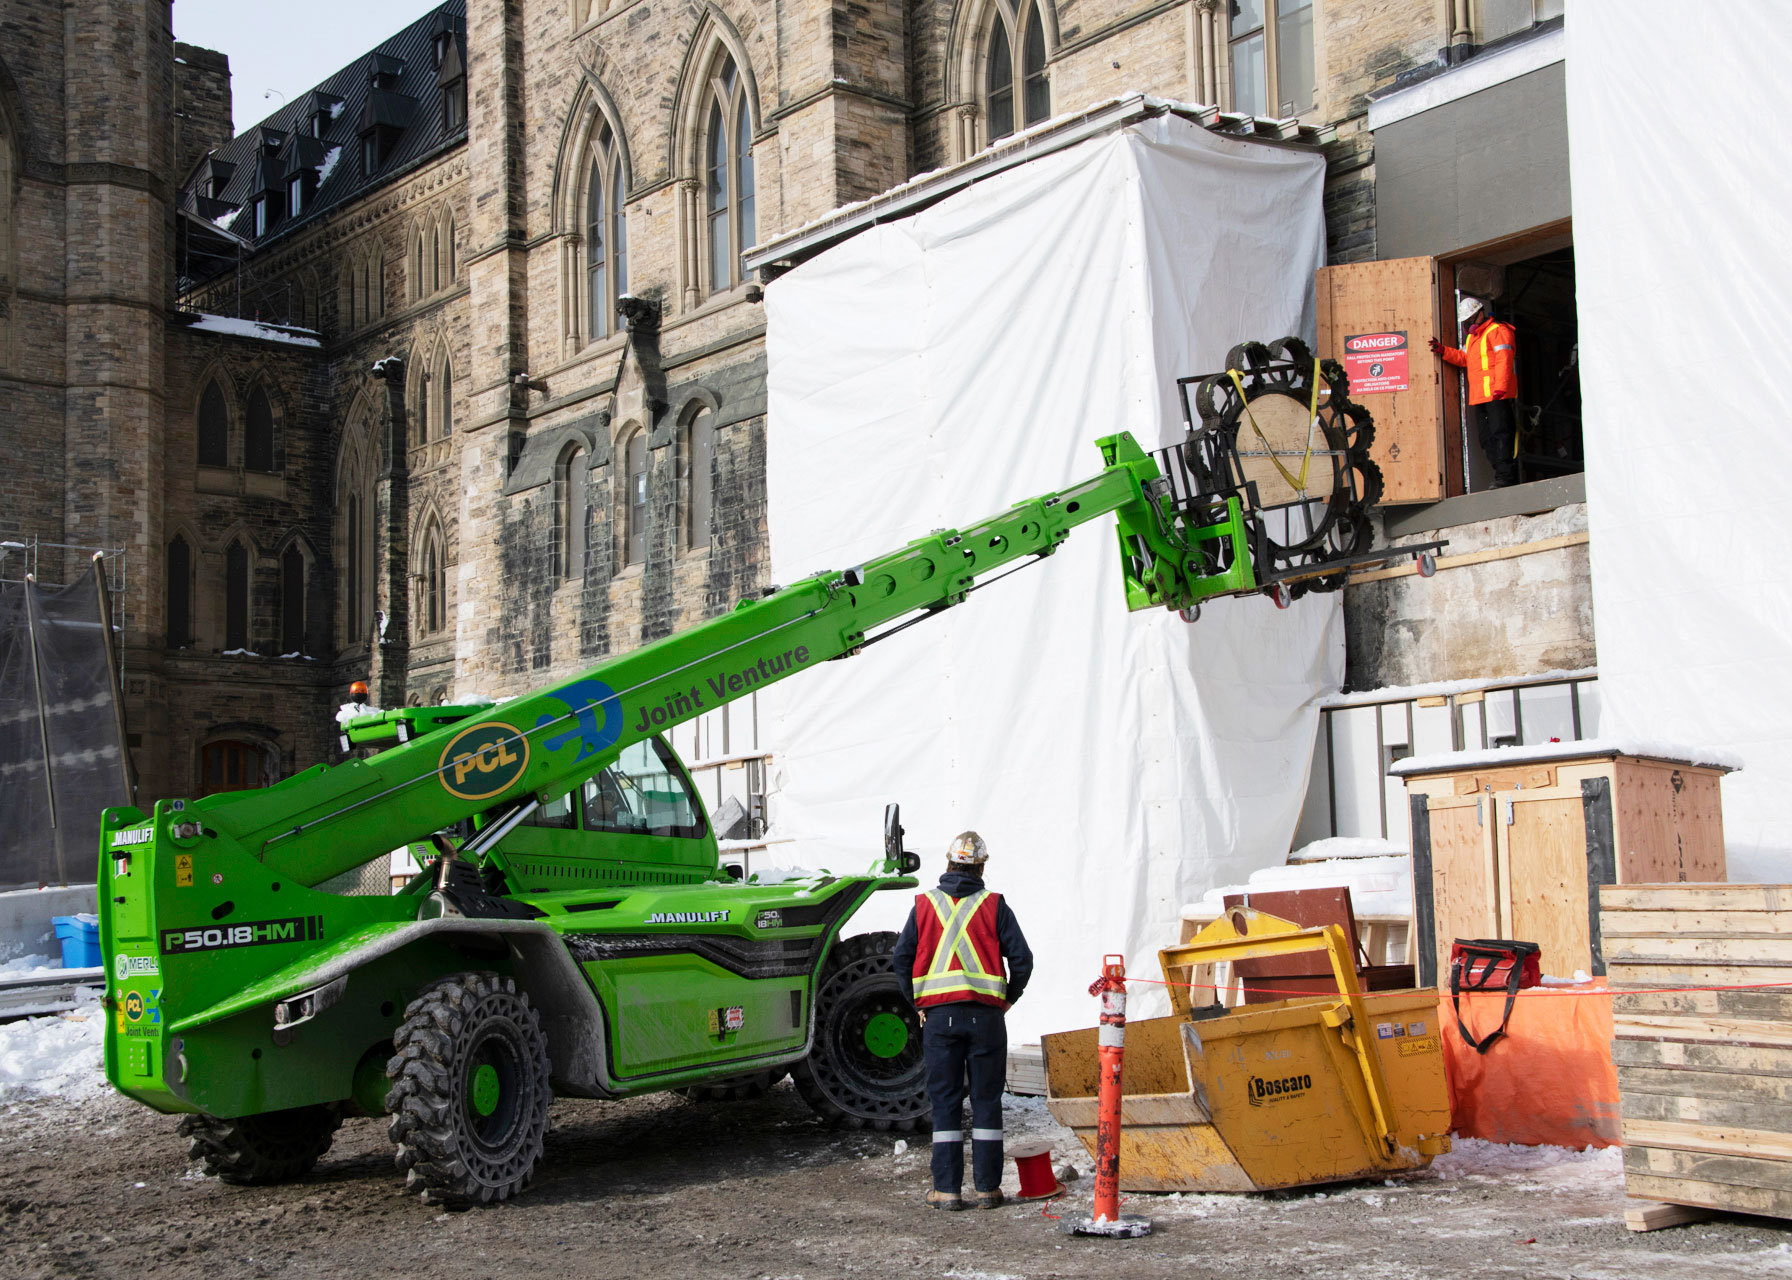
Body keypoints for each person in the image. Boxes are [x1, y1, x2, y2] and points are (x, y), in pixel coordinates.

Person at [892, 831, 1033, 1212]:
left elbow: (900, 960)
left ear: (948, 863)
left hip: (939, 1020)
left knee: (946, 1103)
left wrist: (918, 1002)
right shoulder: (995, 905)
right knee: (987, 1102)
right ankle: (988, 1189)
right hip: (987, 1019)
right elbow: (1023, 960)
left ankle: (947, 1190)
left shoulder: (924, 905)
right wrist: (1007, 1000)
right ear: (981, 866)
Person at [1430, 296, 1521, 487]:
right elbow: (1464, 358)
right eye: (1467, 320)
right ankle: (1501, 473)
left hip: (1497, 394)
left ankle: (1505, 477)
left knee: (1502, 434)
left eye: (1472, 318)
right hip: (1481, 396)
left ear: (1481, 313)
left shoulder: (1498, 330)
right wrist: (1443, 350)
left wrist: (1501, 388)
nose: (1470, 323)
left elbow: (1505, 360)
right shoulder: (1473, 337)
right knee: (1486, 439)